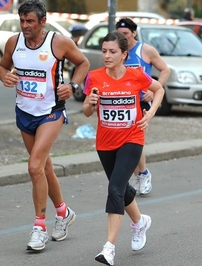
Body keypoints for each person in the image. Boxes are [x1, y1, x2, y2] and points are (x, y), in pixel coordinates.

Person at [0, 0, 90, 251]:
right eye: (22, 21)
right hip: (24, 112)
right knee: (44, 167)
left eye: (30, 21)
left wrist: (72, 86)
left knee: (34, 166)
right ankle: (64, 212)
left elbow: (83, 63)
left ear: (42, 22)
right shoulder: (13, 43)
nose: (25, 26)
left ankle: (39, 228)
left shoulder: (57, 42)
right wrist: (4, 75)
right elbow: (3, 65)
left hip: (51, 112)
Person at [82, 31, 164, 266]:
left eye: (112, 52)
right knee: (120, 189)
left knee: (115, 189)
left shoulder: (137, 75)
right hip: (105, 142)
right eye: (104, 51)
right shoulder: (94, 77)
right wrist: (89, 103)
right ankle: (140, 222)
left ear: (124, 54)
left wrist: (150, 113)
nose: (107, 56)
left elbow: (159, 90)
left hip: (132, 138)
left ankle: (109, 249)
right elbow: (88, 112)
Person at [115, 17, 170, 196]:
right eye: (119, 34)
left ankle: (143, 174)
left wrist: (154, 90)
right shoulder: (117, 52)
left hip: (141, 102)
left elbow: (165, 70)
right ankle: (139, 174)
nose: (122, 37)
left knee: (134, 141)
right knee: (123, 142)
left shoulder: (145, 50)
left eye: (125, 34)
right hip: (122, 101)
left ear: (133, 33)